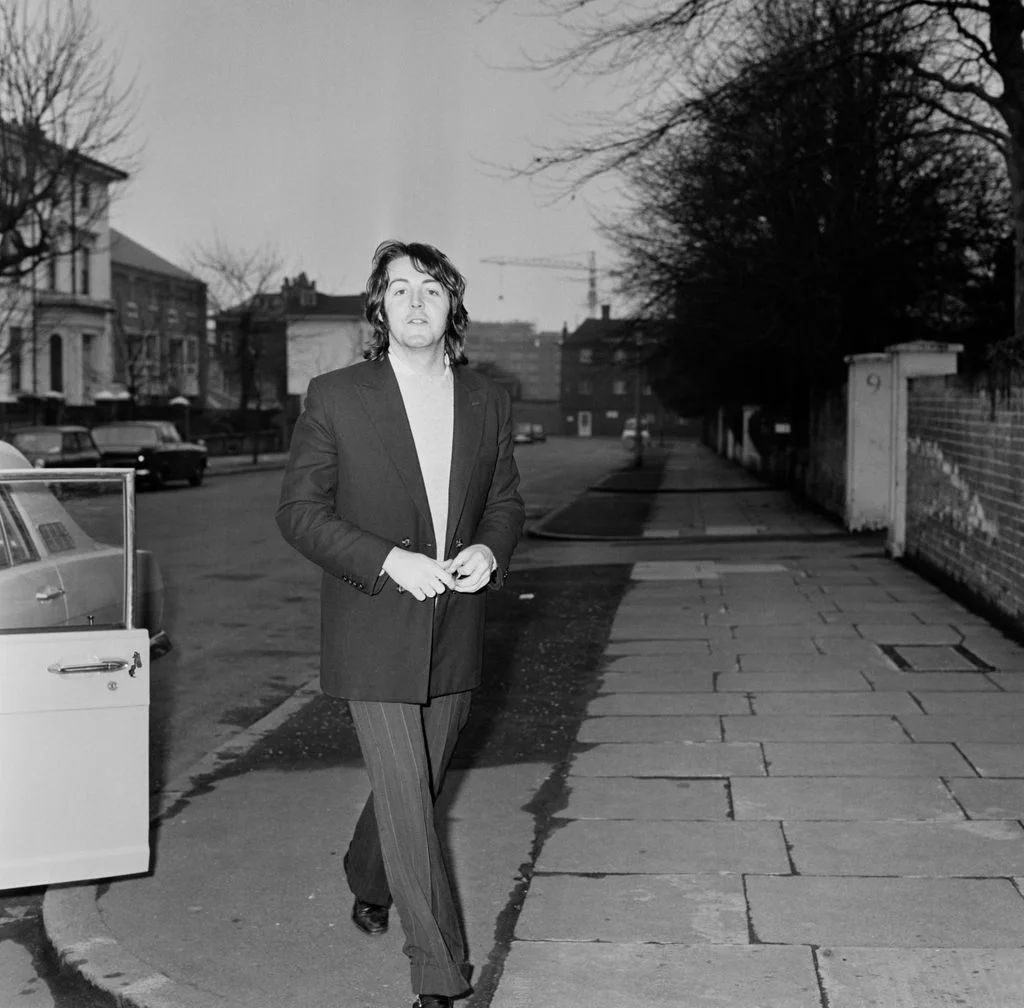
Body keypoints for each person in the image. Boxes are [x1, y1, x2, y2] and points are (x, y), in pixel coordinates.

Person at [276, 240, 525, 1008]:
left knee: (414, 782)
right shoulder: (337, 394)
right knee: (412, 803)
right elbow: (299, 513)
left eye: (431, 290)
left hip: (456, 621)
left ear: (453, 305)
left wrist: (490, 547)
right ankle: (440, 974)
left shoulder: (488, 398)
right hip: (375, 623)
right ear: (378, 310)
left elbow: (506, 502)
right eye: (398, 290)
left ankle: (365, 874)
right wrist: (388, 560)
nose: (415, 303)